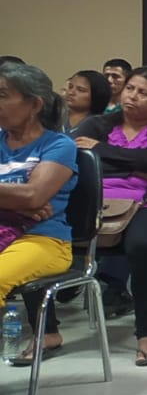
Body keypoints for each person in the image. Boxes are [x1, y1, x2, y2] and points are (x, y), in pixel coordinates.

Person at [71, 66, 147, 365]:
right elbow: (74, 158)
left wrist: (101, 151)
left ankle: (146, 332)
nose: (133, 97)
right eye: (130, 89)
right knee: (43, 233)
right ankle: (46, 331)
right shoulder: (97, 123)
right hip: (95, 201)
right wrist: (139, 169)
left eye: (144, 93)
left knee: (144, 244)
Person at [0, 64, 80, 359]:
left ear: (34, 104)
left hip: (44, 239)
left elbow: (34, 196)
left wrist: (25, 200)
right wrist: (16, 201)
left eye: (2, 95)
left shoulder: (58, 145)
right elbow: (27, 198)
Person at [60, 69, 112, 135]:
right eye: (70, 87)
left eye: (80, 90)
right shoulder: (55, 116)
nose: (70, 92)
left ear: (96, 95)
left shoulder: (100, 125)